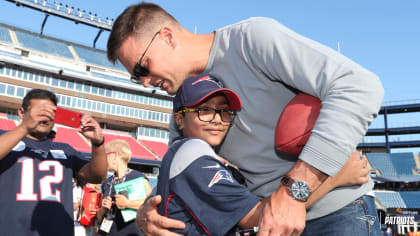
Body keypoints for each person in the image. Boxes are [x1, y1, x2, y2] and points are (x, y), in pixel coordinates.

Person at [107, 3, 384, 235]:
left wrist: (293, 193)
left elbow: (360, 86)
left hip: (339, 215)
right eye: (136, 76)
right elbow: (181, 178)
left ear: (167, 37)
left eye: (143, 67)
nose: (144, 83)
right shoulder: (184, 104)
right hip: (271, 223)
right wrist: (145, 213)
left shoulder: (251, 40)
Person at [156, 74, 370, 235]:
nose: (217, 119)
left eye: (223, 110)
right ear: (179, 119)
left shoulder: (182, 155)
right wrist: (334, 179)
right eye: (204, 110)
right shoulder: (194, 155)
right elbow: (264, 216)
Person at [0, 89, 107, 236]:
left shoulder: (65, 150)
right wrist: (25, 127)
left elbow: (97, 176)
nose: (44, 118)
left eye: (50, 113)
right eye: (39, 112)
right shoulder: (5, 139)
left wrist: (98, 143)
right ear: (21, 112)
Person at [96, 139, 152, 236]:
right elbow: (99, 218)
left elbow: (151, 206)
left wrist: (128, 203)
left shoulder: (139, 178)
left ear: (114, 155)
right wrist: (103, 209)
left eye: (106, 155)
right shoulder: (107, 182)